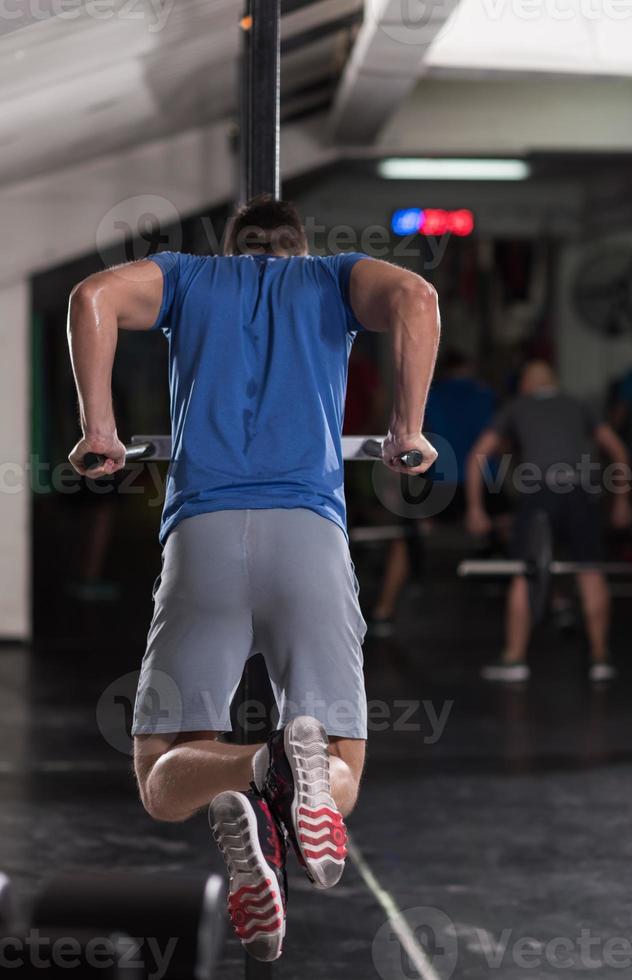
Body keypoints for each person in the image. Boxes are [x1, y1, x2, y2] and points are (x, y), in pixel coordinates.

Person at [66, 195, 440, 962]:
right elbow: (417, 296)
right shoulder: (330, 279)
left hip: (203, 538)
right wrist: (408, 429)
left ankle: (260, 766)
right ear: (298, 248)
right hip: (308, 535)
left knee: (162, 775)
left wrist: (97, 429)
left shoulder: (188, 278)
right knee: (342, 767)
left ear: (234, 249)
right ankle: (292, 772)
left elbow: (91, 297)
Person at [466, 360, 632, 683]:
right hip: (581, 493)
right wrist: (622, 503)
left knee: (524, 573)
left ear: (527, 384)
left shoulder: (517, 405)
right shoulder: (578, 404)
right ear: (554, 382)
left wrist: (476, 509)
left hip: (539, 493)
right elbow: (618, 452)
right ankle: (600, 659)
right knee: (590, 570)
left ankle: (514, 660)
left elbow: (478, 456)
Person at [369, 350, 496, 634]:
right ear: (470, 367)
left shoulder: (431, 397)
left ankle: (383, 611)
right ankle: (558, 601)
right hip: (485, 484)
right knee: (525, 526)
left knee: (405, 536)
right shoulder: (486, 396)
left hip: (440, 483)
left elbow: (414, 442)